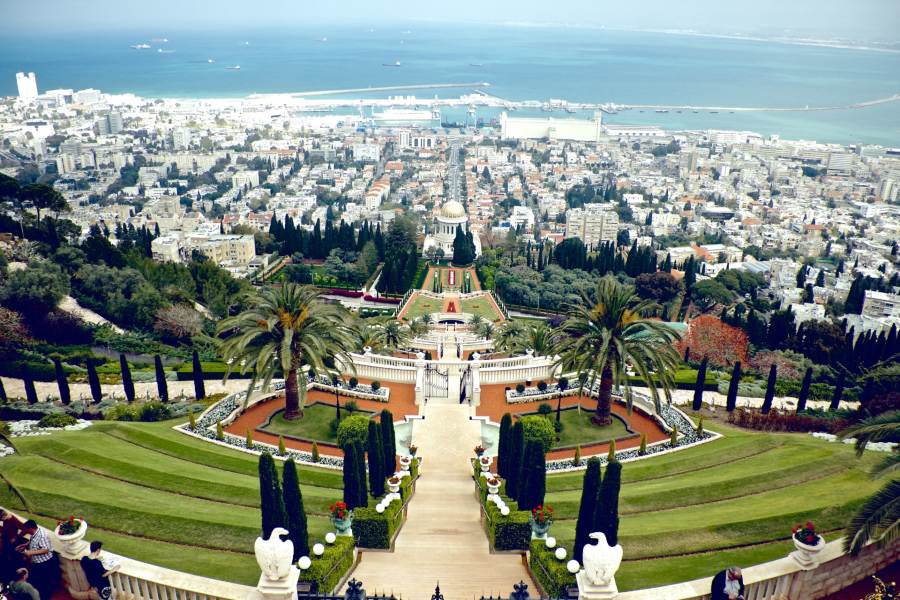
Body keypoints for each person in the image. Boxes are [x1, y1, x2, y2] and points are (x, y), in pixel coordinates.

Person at [15, 520, 57, 600]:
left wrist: (30, 552)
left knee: (45, 582)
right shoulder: (34, 533)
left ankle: (45, 597)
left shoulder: (42, 535)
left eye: (26, 530)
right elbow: (33, 541)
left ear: (30, 528)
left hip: (45, 563)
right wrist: (25, 545)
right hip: (36, 562)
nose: (25, 532)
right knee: (38, 580)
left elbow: (46, 549)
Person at [0, 510, 25, 582]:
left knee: (10, 558)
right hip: (6, 540)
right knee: (4, 557)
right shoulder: (6, 519)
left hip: (11, 542)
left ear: (4, 516)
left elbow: (24, 528)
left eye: (1, 519)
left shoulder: (13, 519)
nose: (1, 521)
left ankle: (13, 573)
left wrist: (16, 537)